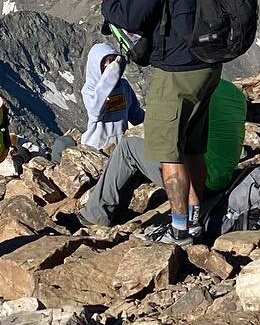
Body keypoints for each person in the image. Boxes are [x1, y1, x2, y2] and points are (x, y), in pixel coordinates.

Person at [97, 0, 221, 246]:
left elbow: (132, 18)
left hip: (178, 69)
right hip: (207, 65)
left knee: (168, 151)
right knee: (193, 146)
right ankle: (196, 219)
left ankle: (179, 228)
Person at [80, 78, 246, 230]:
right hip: (224, 179)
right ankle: (117, 209)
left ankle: (96, 215)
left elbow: (171, 138)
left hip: (199, 182)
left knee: (128, 148)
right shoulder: (234, 93)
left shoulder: (195, 91)